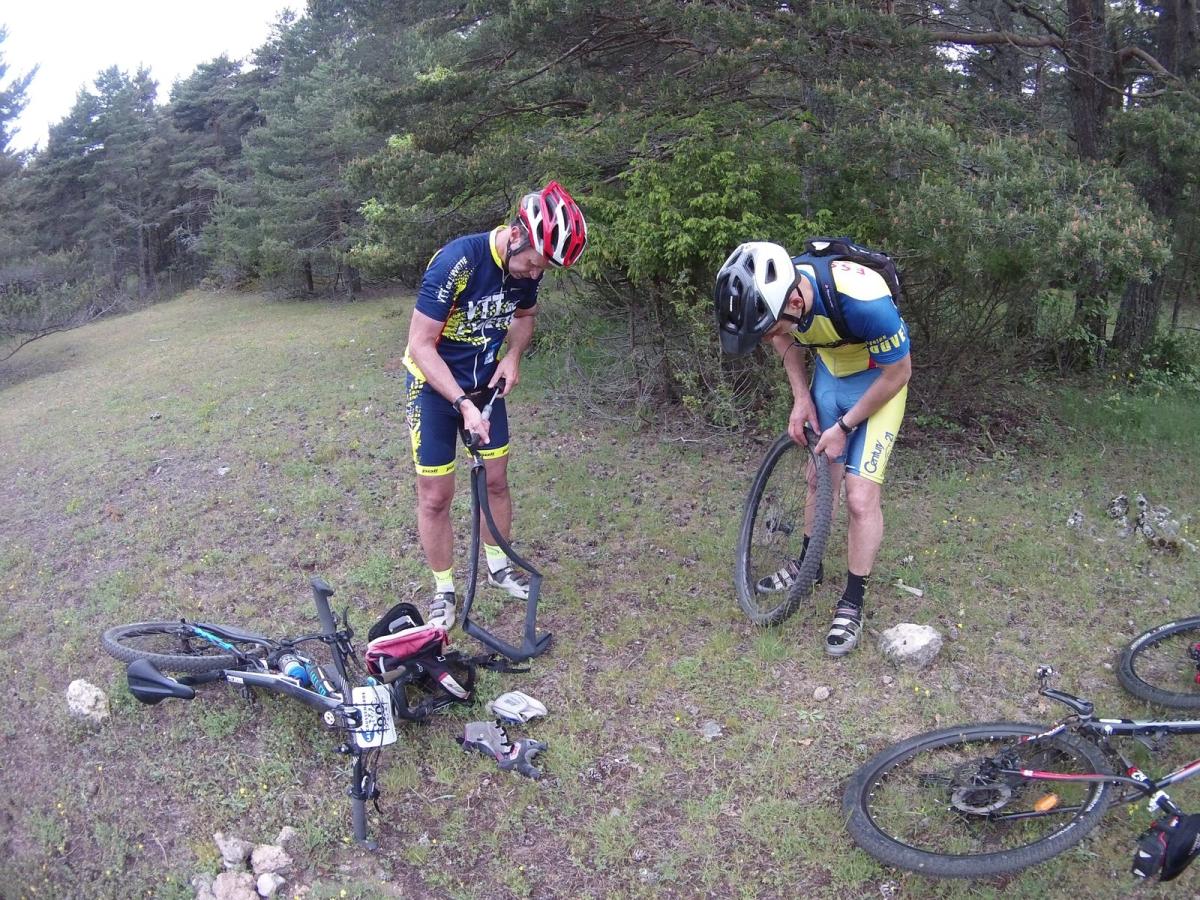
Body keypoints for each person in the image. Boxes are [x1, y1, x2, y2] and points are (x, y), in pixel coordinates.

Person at [402, 181, 587, 630]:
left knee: (497, 482)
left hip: (486, 386)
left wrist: (513, 356)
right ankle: (444, 591)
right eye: (534, 263)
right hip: (433, 389)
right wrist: (462, 403)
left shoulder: (525, 273)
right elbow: (420, 344)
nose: (536, 275)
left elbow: (524, 317)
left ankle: (499, 566)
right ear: (516, 234)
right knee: (436, 497)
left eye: (544, 269)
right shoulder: (458, 261)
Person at [714, 241, 911, 656]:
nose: (769, 336)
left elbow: (899, 373)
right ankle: (809, 565)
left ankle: (853, 599)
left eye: (769, 328)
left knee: (859, 497)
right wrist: (801, 397)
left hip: (880, 385)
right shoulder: (779, 297)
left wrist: (845, 426)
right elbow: (783, 340)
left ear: (795, 302)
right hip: (830, 380)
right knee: (818, 479)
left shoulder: (863, 300)